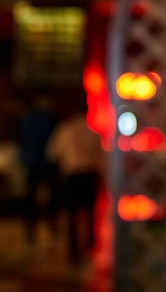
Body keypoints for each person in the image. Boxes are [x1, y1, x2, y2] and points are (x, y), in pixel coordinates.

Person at [46, 105, 105, 264]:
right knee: (90, 211)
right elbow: (101, 157)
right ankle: (91, 245)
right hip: (89, 174)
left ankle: (73, 251)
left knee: (71, 214)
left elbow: (53, 153)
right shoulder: (93, 133)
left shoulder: (65, 130)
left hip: (72, 175)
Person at [18, 94, 59, 244]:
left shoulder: (28, 119)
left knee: (31, 199)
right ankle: (51, 226)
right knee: (50, 197)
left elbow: (22, 141)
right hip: (46, 162)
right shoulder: (50, 119)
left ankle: (31, 231)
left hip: (32, 163)